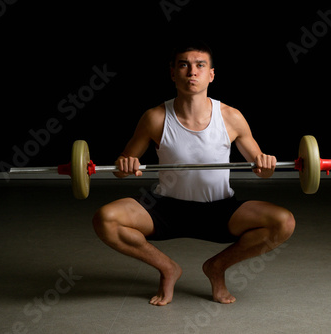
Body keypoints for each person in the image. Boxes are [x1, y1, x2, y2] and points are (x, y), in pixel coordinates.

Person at [92, 41, 295, 306]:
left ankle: (217, 267)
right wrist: (125, 166)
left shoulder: (231, 117)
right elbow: (121, 166)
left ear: (211, 74)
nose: (192, 72)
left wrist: (265, 165)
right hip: (165, 209)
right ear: (173, 72)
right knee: (105, 219)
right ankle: (167, 268)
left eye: (200, 65)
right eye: (184, 65)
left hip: (220, 210)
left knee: (284, 222)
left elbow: (261, 170)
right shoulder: (155, 117)